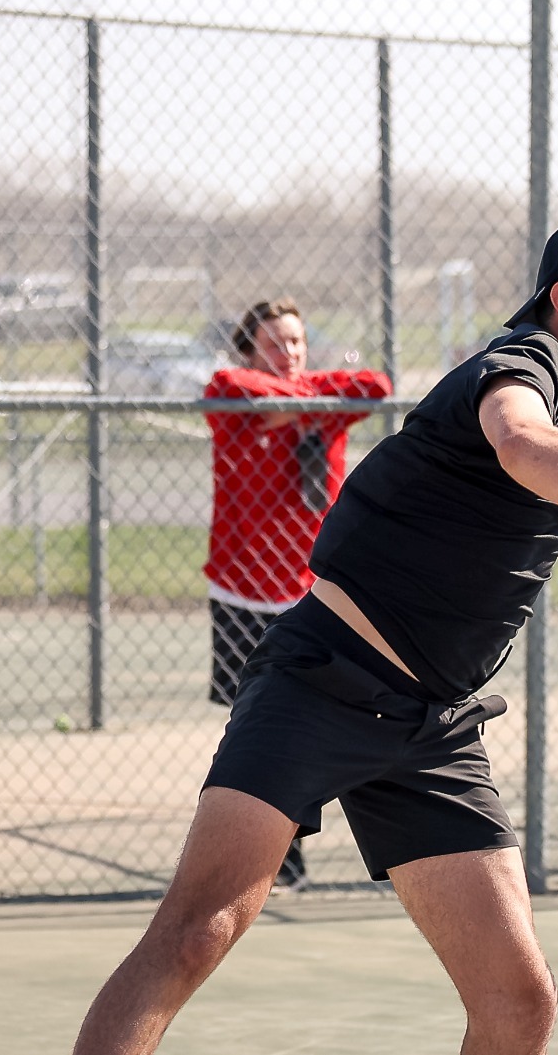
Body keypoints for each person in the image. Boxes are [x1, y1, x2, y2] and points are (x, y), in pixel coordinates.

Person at [73, 215, 558, 1055]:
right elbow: (518, 440)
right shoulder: (525, 360)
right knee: (198, 930)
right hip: (323, 681)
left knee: (519, 1003)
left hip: (433, 728)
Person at [201, 297, 392, 889]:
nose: (288, 353)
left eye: (297, 343)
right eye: (274, 343)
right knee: (255, 726)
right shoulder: (231, 395)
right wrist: (297, 403)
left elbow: (375, 383)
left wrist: (303, 398)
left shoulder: (323, 402)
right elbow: (233, 385)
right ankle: (268, 861)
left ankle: (363, 848)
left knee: (322, 719)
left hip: (312, 591)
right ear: (250, 346)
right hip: (243, 589)